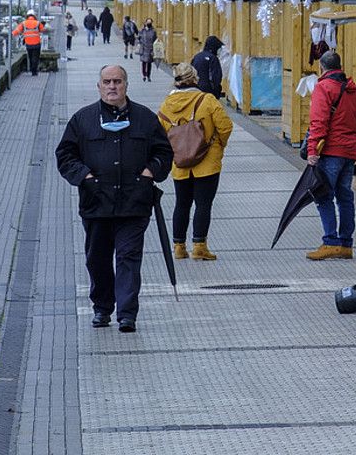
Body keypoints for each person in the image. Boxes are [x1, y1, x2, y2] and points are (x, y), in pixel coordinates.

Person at [55, 64, 173, 333]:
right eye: (107, 82)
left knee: (128, 257)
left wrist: (149, 172)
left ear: (126, 85)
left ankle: (127, 313)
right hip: (96, 204)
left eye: (117, 81)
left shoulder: (145, 119)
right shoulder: (82, 120)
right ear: (99, 86)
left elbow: (164, 153)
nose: (112, 87)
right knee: (97, 259)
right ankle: (102, 308)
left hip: (134, 204)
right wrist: (85, 177)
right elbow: (65, 156)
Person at [157, 63, 234, 261]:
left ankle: (179, 247)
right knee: (203, 204)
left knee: (181, 203)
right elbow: (225, 126)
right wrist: (217, 146)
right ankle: (199, 247)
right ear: (195, 79)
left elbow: (159, 134)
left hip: (180, 163)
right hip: (206, 163)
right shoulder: (207, 100)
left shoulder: (166, 104)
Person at [304, 52, 356, 260]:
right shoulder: (353, 89)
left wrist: (313, 151)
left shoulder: (323, 88)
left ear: (322, 68)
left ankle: (330, 242)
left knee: (323, 195)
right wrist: (347, 135)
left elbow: (318, 122)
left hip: (330, 151)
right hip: (349, 151)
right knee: (345, 197)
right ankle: (346, 244)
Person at [11, 10, 46, 76]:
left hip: (28, 44)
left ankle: (31, 68)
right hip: (37, 43)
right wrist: (43, 25)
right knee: (35, 57)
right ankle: (34, 71)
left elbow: (17, 31)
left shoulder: (23, 23)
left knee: (30, 57)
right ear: (34, 16)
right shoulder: (38, 23)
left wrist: (11, 34)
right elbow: (43, 30)